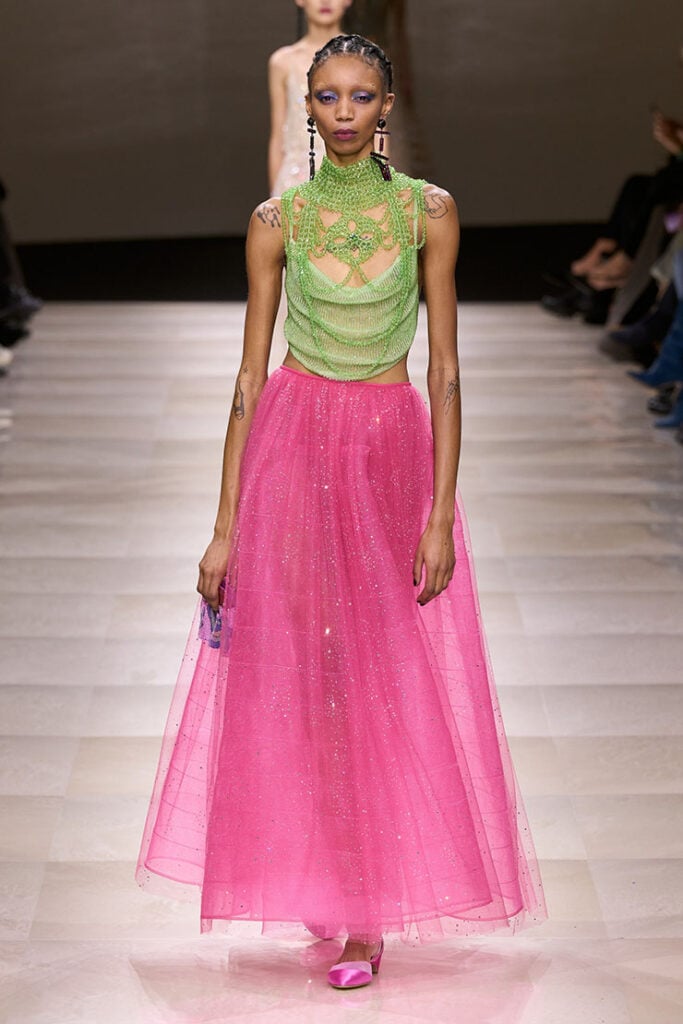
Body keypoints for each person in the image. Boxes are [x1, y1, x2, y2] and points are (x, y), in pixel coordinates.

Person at [137, 34, 546, 990]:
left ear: (387, 106)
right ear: (308, 107)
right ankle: (331, 880)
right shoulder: (275, 221)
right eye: (329, 96)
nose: (346, 111)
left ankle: (367, 912)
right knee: (301, 672)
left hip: (387, 452)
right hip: (290, 445)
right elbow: (247, 379)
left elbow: (445, 369)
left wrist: (440, 513)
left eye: (363, 95)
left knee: (379, 673)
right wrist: (224, 526)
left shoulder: (427, 212)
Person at [268, 1, 352, 196]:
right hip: (295, 182)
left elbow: (378, 130)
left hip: (350, 179)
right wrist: (276, 199)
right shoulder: (283, 62)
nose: (325, 1)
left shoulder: (366, 59)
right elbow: (278, 135)